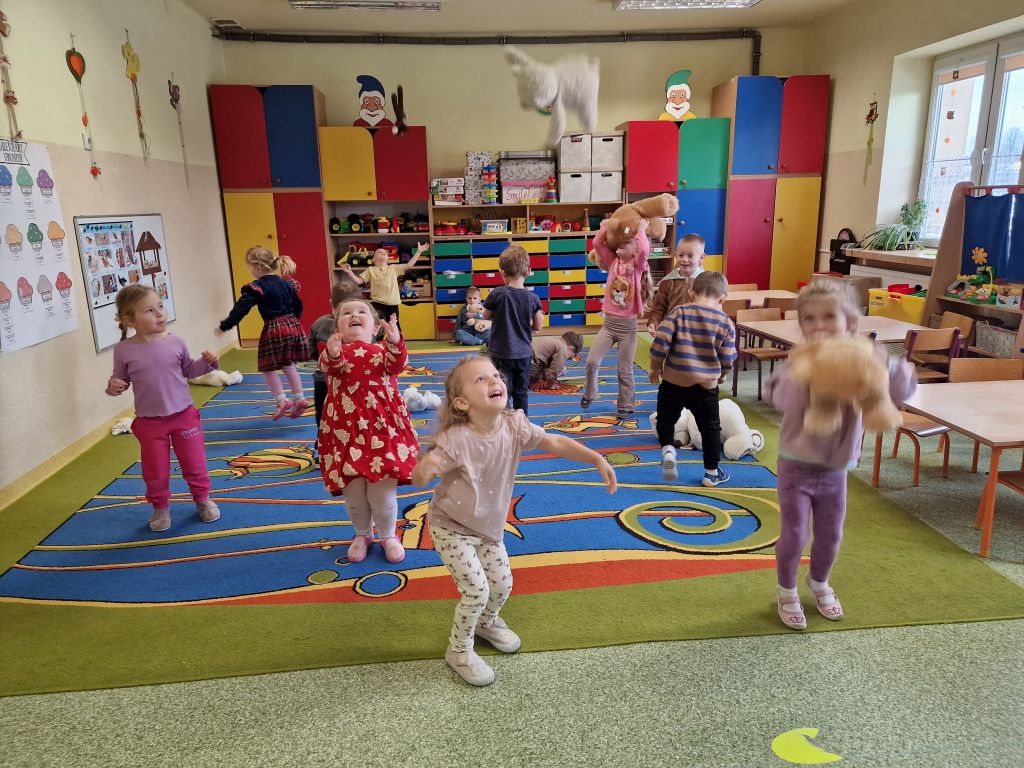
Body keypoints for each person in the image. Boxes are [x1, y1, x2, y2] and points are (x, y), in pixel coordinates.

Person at [411, 356, 617, 686]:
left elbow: (553, 440)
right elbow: (420, 478)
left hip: (488, 527)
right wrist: (425, 467)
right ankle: (458, 650)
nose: (494, 381)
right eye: (480, 379)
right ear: (462, 402)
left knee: (503, 584)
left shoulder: (513, 425)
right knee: (476, 591)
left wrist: (595, 458)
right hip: (451, 527)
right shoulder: (456, 439)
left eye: (495, 375)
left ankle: (486, 623)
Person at [765, 280, 916, 630]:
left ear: (851, 322)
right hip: (796, 464)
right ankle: (786, 589)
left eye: (829, 316)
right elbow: (779, 398)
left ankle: (819, 581)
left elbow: (901, 392)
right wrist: (808, 374)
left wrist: (885, 365)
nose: (818, 325)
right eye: (809, 318)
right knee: (794, 534)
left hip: (836, 468)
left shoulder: (863, 357)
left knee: (831, 534)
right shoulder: (800, 359)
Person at [105, 285, 220, 532]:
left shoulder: (176, 341)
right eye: (150, 310)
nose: (160, 313)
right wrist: (114, 385)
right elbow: (120, 378)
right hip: (149, 422)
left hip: (184, 415)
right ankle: (160, 507)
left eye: (160, 306)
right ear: (129, 320)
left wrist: (207, 363)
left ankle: (202, 499)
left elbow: (190, 370)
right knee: (155, 470)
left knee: (194, 462)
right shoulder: (123, 349)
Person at [317, 298, 419, 564]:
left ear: (375, 327)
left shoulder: (384, 351)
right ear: (337, 327)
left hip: (383, 432)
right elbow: (328, 365)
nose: (354, 315)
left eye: (362, 312)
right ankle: (362, 534)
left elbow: (398, 364)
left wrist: (395, 341)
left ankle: (387, 535)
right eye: (346, 313)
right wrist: (333, 351)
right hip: (345, 433)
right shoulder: (335, 352)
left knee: (382, 492)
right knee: (354, 495)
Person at [649, 270, 736, 487]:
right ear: (723, 299)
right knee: (710, 428)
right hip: (705, 386)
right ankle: (711, 473)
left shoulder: (679, 312)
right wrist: (723, 374)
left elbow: (661, 342)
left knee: (666, 419)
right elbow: (727, 356)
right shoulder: (724, 322)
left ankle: (668, 450)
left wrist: (655, 368)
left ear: (690, 293)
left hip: (673, 380)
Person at [216, 246, 310, 421]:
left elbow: (241, 308)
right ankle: (300, 398)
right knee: (288, 364)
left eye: (250, 267)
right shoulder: (286, 283)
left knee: (267, 368)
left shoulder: (257, 287)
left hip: (274, 328)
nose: (250, 271)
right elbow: (298, 304)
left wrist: (226, 325)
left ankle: (282, 400)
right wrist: (294, 321)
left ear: (258, 267)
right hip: (293, 325)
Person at [580, 218, 653, 419]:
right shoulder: (612, 262)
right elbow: (597, 243)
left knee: (624, 369)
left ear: (635, 248)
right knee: (591, 361)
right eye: (619, 243)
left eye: (626, 243)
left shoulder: (637, 265)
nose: (620, 245)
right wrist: (606, 226)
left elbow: (645, 251)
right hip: (609, 326)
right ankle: (590, 391)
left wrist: (641, 230)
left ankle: (626, 405)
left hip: (628, 329)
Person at [482, 245, 543, 414]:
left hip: (500, 352)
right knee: (521, 393)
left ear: (502, 272)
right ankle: (521, 423)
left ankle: (500, 421)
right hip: (523, 353)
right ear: (528, 271)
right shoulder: (533, 298)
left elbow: (486, 316)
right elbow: (538, 326)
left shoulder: (497, 293)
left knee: (501, 391)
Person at [308, 279, 363, 459]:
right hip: (349, 382)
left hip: (322, 379)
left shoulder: (319, 323)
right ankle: (354, 448)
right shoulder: (358, 326)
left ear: (331, 302)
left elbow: (311, 351)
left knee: (323, 415)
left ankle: (322, 450)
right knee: (352, 415)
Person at [339, 242, 428, 331]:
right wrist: (349, 272)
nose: (383, 252)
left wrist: (419, 252)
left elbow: (409, 265)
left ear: (388, 259)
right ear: (373, 259)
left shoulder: (394, 268)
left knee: (395, 328)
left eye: (385, 252)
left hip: (393, 305)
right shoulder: (371, 270)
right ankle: (378, 340)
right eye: (379, 252)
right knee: (379, 329)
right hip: (377, 304)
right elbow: (358, 281)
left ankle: (398, 340)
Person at [646, 233, 706, 335]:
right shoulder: (668, 281)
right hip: (672, 330)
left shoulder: (705, 282)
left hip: (696, 331)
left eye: (690, 256)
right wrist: (653, 323)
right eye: (681, 255)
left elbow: (711, 308)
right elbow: (659, 307)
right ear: (676, 255)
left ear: (701, 258)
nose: (684, 259)